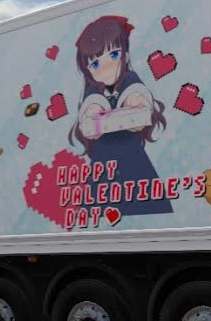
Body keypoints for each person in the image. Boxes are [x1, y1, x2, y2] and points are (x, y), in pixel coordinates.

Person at [69, 15, 173, 216]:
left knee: (144, 196)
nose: (107, 67)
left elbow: (137, 95)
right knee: (99, 204)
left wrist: (134, 102)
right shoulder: (94, 90)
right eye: (95, 64)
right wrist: (93, 113)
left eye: (114, 55)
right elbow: (91, 107)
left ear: (125, 55)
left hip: (132, 156)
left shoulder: (130, 79)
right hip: (103, 165)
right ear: (89, 72)